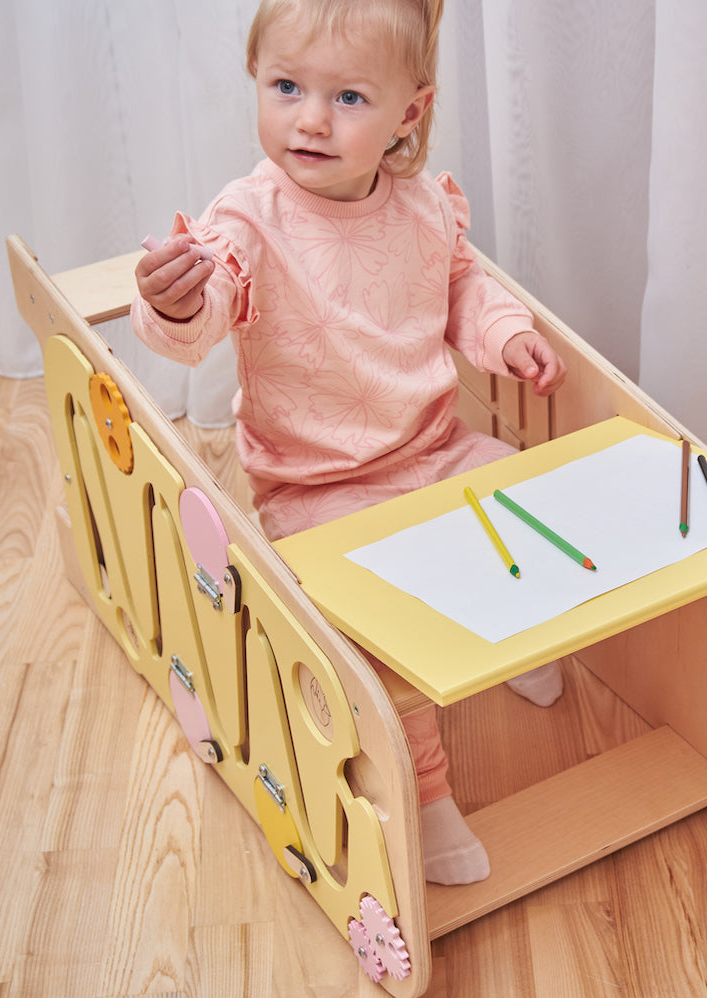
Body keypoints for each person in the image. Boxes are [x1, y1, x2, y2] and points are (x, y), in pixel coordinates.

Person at [131, 0, 567, 885]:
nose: (311, 120)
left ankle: (511, 642)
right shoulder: (247, 221)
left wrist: (506, 334)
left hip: (434, 448)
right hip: (316, 486)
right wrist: (174, 302)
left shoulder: (424, 206)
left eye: (350, 98)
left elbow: (463, 287)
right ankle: (428, 795)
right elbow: (205, 311)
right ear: (256, 80)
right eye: (286, 87)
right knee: (375, 627)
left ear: (410, 112)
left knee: (535, 507)